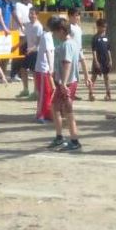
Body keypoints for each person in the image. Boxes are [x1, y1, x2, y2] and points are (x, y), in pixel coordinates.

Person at [47, 17, 83, 151]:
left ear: (62, 31)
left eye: (55, 32)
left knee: (68, 111)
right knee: (56, 107)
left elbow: (67, 63)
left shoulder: (67, 44)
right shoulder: (70, 43)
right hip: (66, 82)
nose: (54, 34)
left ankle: (74, 140)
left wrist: (63, 83)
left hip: (66, 82)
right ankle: (59, 137)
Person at [32, 11, 55, 123]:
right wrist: (51, 68)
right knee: (44, 92)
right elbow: (48, 52)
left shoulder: (49, 36)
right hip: (43, 68)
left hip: (45, 68)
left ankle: (47, 113)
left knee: (49, 91)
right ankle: (40, 114)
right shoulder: (47, 36)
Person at [89, 17, 112, 102]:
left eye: (105, 27)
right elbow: (94, 51)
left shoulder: (106, 37)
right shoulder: (95, 38)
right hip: (98, 60)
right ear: (98, 27)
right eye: (102, 26)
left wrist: (110, 60)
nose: (104, 28)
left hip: (105, 60)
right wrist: (96, 61)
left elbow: (109, 50)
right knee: (94, 77)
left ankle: (108, 93)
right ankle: (91, 93)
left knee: (106, 77)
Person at [66, 7, 84, 100]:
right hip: (71, 54)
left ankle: (73, 92)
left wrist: (81, 53)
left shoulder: (78, 28)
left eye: (78, 15)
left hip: (78, 54)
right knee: (69, 75)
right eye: (75, 15)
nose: (77, 17)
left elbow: (79, 41)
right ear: (70, 16)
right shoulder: (69, 27)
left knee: (75, 75)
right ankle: (67, 92)